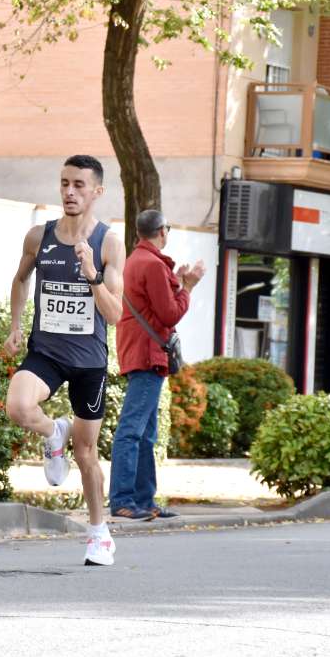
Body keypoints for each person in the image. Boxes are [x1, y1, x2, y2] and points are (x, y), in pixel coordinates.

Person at [3, 155, 126, 566]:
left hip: (89, 361)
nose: (70, 192)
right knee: (18, 406)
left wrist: (91, 273)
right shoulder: (39, 237)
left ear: (97, 192)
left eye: (79, 185)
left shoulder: (108, 242)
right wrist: (16, 324)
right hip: (47, 353)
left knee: (87, 453)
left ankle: (98, 533)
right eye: (64, 183)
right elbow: (20, 279)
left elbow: (114, 314)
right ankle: (53, 433)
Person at [110, 210, 204, 521]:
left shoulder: (138, 260)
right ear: (162, 231)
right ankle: (124, 500)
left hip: (139, 351)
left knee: (146, 433)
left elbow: (154, 304)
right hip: (148, 354)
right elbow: (169, 315)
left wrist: (178, 282)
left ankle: (144, 500)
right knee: (132, 430)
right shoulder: (151, 264)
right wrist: (189, 287)